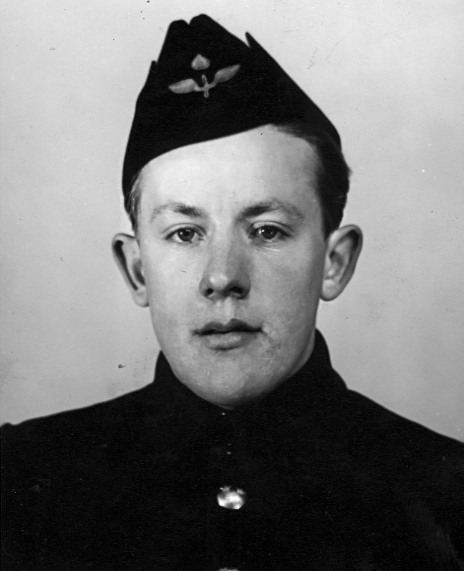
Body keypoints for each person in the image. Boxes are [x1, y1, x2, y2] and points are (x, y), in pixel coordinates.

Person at [1, 14, 463, 571]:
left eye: (266, 231)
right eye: (184, 234)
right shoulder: (21, 482)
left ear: (334, 262)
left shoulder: (446, 493)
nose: (221, 277)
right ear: (137, 270)